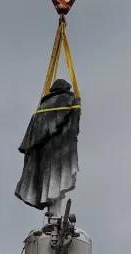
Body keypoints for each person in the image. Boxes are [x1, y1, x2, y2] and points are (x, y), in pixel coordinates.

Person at [15, 78, 80, 212]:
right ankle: (54, 214)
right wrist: (76, 105)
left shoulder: (41, 107)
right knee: (55, 179)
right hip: (58, 148)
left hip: (42, 154)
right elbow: (70, 122)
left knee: (47, 181)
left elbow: (29, 140)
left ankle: (52, 210)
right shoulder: (65, 99)